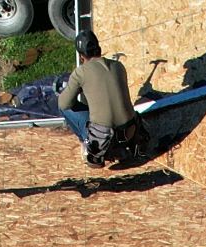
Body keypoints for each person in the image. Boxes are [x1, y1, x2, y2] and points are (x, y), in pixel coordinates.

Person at [55, 26, 147, 167]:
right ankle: (123, 147)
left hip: (103, 141)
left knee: (65, 108)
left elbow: (63, 104)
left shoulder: (80, 73)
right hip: (129, 133)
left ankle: (88, 145)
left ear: (81, 56)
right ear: (99, 48)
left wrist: (75, 88)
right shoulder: (119, 66)